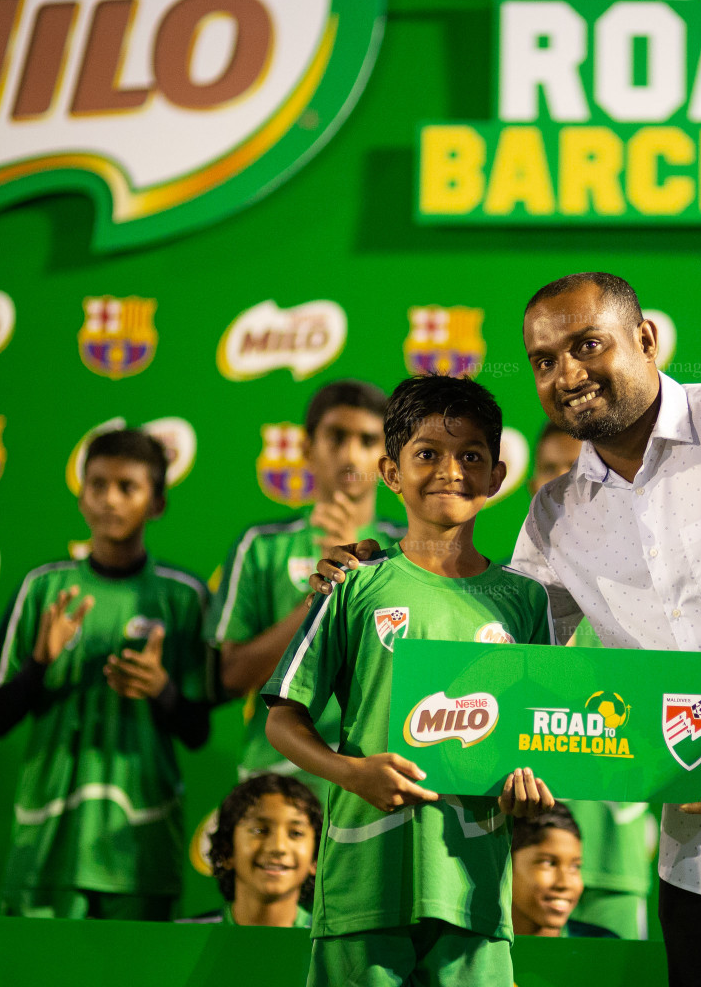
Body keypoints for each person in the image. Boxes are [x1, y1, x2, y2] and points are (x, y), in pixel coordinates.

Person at [313, 274, 701, 986]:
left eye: (587, 345)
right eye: (545, 361)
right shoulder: (556, 514)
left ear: (645, 340)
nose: (567, 374)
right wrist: (382, 568)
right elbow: (495, 641)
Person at [263, 374, 559, 987]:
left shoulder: (527, 602)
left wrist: (535, 787)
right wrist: (352, 772)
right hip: (362, 889)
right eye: (427, 453)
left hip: (473, 896)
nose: (450, 470)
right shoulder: (353, 583)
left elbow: (550, 739)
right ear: (391, 472)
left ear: (497, 476)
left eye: (471, 455)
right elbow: (282, 718)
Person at [0, 429, 210, 920]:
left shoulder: (183, 596)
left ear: (157, 503)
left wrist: (159, 689)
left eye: (127, 487)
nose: (110, 499)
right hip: (48, 842)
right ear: (81, 498)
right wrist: (40, 663)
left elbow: (197, 730)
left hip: (139, 847)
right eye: (97, 485)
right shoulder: (43, 589)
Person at [211, 381, 404, 782]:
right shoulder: (261, 546)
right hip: (276, 776)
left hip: (376, 777)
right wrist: (319, 593)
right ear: (306, 449)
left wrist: (362, 571)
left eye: (367, 440)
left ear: (387, 459)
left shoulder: (407, 548)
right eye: (336, 437)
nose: (351, 454)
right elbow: (230, 677)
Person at [529, 421, 657, 940]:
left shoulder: (655, 595)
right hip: (523, 862)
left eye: (578, 469)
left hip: (613, 864)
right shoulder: (514, 588)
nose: (563, 484)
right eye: (550, 470)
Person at [178, 773, 321, 927]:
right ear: (227, 851)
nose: (278, 847)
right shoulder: (179, 940)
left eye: (295, 833)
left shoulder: (335, 946)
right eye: (260, 831)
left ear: (315, 858)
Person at [512, 804, 617, 939]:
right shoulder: (480, 952)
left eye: (575, 866)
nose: (564, 883)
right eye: (548, 863)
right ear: (505, 866)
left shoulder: (603, 947)